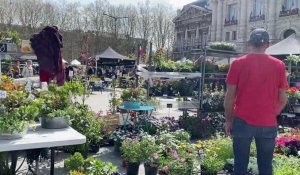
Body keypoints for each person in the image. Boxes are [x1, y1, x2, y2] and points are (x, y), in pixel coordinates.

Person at [224, 28, 288, 175]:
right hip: (267, 123)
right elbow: (283, 99)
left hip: (242, 121)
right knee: (266, 167)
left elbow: (229, 96)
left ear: (250, 43)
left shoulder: (237, 63)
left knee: (240, 165)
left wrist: (228, 120)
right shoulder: (279, 65)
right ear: (267, 44)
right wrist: (272, 113)